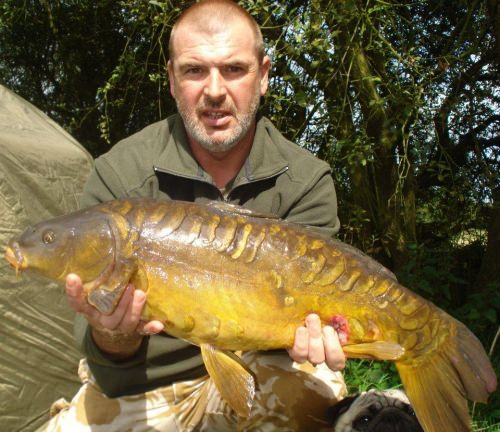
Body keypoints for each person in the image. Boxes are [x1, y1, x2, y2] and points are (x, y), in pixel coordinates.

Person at [40, 1, 347, 430]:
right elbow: (104, 359)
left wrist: (329, 333)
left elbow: (322, 320)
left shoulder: (306, 181)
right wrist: (113, 331)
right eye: (195, 71)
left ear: (264, 77)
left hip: (266, 368)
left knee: (316, 389)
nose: (215, 90)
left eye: (235, 70)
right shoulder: (120, 175)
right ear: (171, 79)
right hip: (143, 385)